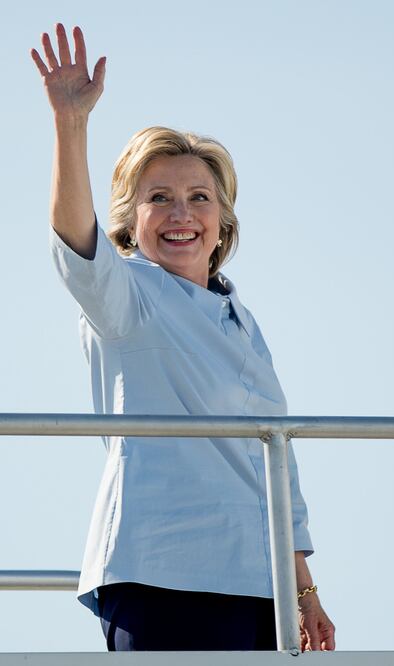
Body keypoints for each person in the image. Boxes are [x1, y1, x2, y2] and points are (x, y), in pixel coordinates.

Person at [30, 24, 336, 652]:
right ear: (129, 220)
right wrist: (71, 123)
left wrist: (304, 590)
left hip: (260, 586)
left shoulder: (244, 322)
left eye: (199, 197)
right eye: (159, 199)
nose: (180, 214)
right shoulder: (129, 295)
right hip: (164, 574)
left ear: (222, 220)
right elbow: (76, 248)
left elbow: (276, 469)